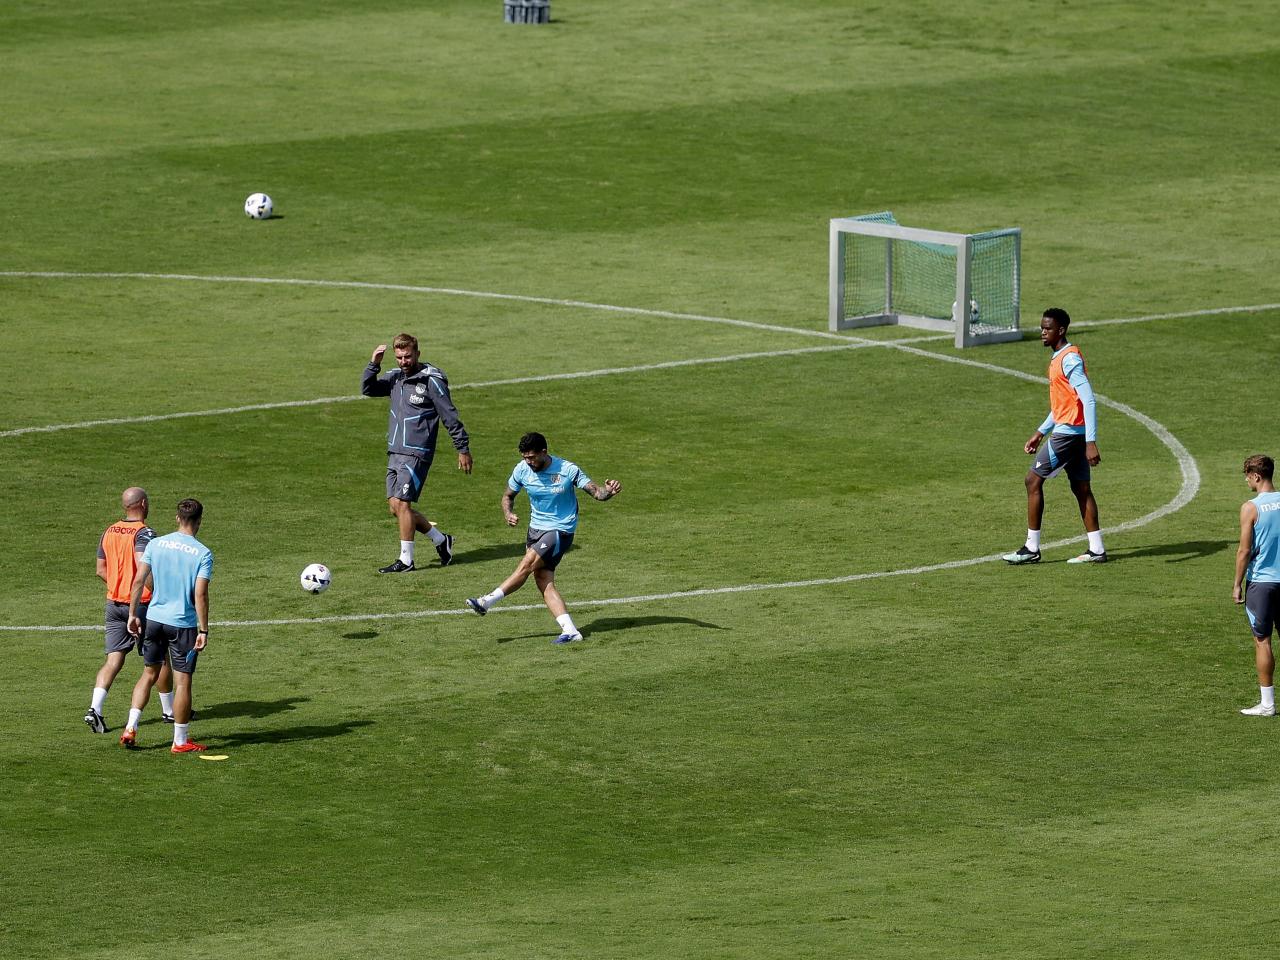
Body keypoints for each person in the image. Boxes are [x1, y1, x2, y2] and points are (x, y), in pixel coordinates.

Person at [466, 432, 621, 643]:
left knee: (527, 564)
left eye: (532, 457)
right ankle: (571, 631)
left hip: (560, 530)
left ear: (544, 452)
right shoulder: (522, 469)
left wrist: (609, 492)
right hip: (535, 530)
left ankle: (486, 601)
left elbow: (596, 493)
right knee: (542, 580)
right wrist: (508, 513)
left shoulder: (567, 470)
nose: (528, 462)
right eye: (524, 457)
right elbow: (507, 496)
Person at [1002, 307, 1107, 565]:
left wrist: (1091, 441)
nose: (1042, 333)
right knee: (1081, 488)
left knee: (1032, 481)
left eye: (1047, 328)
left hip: (1069, 435)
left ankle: (1031, 548)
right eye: (1041, 328)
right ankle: (1097, 549)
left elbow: (1088, 400)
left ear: (1061, 330)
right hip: (1071, 432)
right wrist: (1040, 431)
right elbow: (1065, 404)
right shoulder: (1060, 357)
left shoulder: (1069, 360)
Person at [361, 333, 473, 573]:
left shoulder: (431, 380)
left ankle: (406, 561)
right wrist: (374, 364)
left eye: (408, 356)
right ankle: (441, 540)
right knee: (395, 507)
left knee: (402, 503)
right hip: (395, 451)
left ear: (418, 354)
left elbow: (449, 415)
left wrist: (462, 448)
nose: (404, 361)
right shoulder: (395, 378)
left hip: (417, 452)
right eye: (400, 357)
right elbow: (368, 389)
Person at [121, 498, 213, 753]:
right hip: (182, 625)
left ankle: (130, 727)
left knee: (148, 674)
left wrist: (132, 614)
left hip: (154, 619)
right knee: (183, 683)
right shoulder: (202, 553)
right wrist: (203, 630)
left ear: (177, 518)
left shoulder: (156, 544)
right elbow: (201, 595)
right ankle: (180, 742)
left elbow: (139, 580)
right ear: (199, 522)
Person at [84, 487, 176, 733]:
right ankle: (169, 711)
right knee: (159, 658)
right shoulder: (144, 533)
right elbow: (142, 569)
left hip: (113, 604)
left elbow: (101, 569)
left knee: (113, 659)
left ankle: (95, 708)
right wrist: (159, 593)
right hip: (142, 606)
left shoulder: (109, 530)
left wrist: (119, 587)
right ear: (144, 503)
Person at [1235, 455, 1280, 716]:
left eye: (1247, 475)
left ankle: (1267, 704)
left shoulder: (1251, 507)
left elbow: (1244, 550)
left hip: (1262, 582)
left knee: (1262, 641)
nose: (1246, 480)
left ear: (1257, 476)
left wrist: (1237, 584)